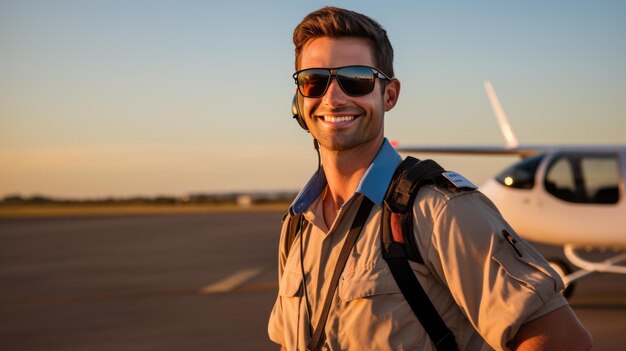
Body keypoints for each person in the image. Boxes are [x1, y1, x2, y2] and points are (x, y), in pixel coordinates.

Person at [268, 6, 592, 351]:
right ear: (298, 101)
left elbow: (562, 340)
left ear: (389, 95)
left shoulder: (439, 211)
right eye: (313, 81)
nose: (332, 98)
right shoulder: (298, 226)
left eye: (356, 80)